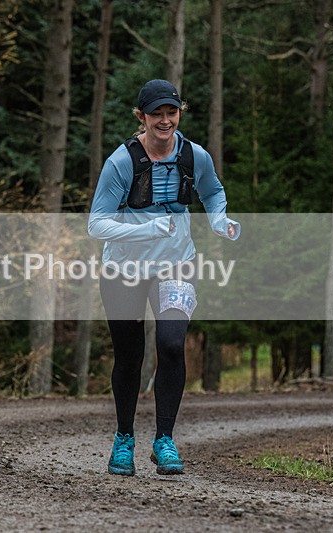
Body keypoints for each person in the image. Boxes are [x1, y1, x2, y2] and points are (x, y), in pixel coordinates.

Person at [88, 79, 238, 476]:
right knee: (129, 354)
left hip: (176, 265)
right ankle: (124, 438)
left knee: (171, 345)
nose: (165, 121)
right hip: (123, 269)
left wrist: (219, 220)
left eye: (172, 113)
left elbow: (213, 192)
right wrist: (146, 230)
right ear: (142, 117)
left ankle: (165, 440)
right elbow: (97, 224)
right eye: (157, 114)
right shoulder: (121, 162)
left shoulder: (194, 155)